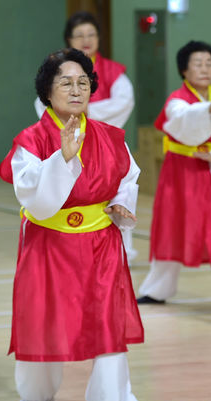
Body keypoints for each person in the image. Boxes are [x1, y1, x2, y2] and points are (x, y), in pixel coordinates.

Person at [0, 48, 143, 401]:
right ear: (47, 91)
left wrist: (119, 203)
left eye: (83, 82)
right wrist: (60, 160)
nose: (76, 90)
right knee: (42, 318)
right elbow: (33, 196)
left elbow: (127, 178)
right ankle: (36, 398)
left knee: (107, 322)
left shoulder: (112, 137)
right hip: (49, 243)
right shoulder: (30, 140)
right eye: (66, 82)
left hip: (100, 243)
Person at [136, 40, 211, 313]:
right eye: (197, 64)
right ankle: (157, 289)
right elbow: (181, 123)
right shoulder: (177, 101)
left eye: (209, 63)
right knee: (171, 229)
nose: (204, 69)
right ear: (183, 71)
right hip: (181, 175)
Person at [33, 11, 138, 261]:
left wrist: (89, 117)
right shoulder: (54, 71)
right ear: (69, 39)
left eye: (91, 34)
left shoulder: (114, 72)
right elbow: (43, 108)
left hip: (103, 145)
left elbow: (124, 103)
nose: (86, 40)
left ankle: (120, 249)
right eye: (79, 35)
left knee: (115, 193)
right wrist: (76, 119)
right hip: (67, 144)